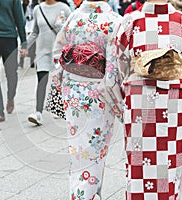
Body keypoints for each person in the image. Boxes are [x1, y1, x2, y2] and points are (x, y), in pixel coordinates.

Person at [100, 0, 182, 199]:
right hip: (176, 102)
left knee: (140, 163)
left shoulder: (130, 21)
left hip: (139, 100)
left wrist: (123, 105)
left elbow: (114, 74)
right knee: (170, 159)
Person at [52, 0, 122, 198]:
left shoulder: (73, 18)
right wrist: (118, 102)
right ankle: (84, 194)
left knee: (77, 148)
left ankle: (85, 192)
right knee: (96, 149)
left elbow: (59, 55)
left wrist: (64, 83)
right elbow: (113, 69)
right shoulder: (114, 21)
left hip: (72, 92)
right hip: (100, 94)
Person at [25, 0, 71, 125]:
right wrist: (25, 46)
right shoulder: (38, 9)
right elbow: (35, 32)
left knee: (60, 81)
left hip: (59, 52)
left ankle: (60, 107)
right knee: (41, 80)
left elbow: (71, 31)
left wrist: (59, 26)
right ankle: (38, 113)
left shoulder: (64, 8)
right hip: (42, 52)